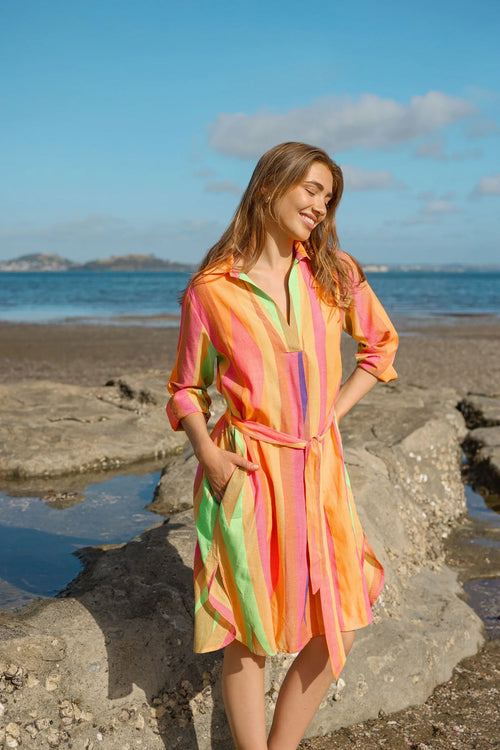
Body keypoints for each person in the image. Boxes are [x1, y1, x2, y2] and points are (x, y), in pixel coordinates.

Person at [166, 141, 398, 750]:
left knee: (341, 617)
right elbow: (186, 389)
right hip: (246, 471)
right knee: (248, 628)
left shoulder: (335, 272)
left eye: (329, 197)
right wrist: (209, 455)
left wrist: (329, 414)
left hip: (320, 471)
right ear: (270, 186)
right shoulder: (211, 290)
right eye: (311, 190)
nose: (320, 206)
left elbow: (380, 346)